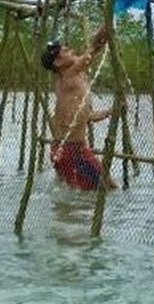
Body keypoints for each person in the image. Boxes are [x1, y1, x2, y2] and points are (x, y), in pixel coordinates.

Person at [42, 26, 118, 191]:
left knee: (79, 193)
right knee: (108, 187)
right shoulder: (69, 74)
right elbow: (92, 52)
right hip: (73, 150)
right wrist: (101, 34)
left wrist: (110, 112)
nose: (71, 50)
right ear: (58, 62)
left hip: (61, 148)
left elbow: (85, 117)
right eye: (65, 51)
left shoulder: (67, 82)